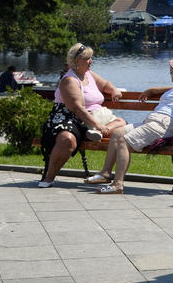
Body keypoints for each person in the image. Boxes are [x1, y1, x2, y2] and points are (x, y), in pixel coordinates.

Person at [84, 54, 173, 194]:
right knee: (117, 132)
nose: (170, 72)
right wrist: (151, 91)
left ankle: (117, 184)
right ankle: (105, 173)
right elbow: (170, 90)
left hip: (164, 124)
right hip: (154, 121)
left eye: (172, 70)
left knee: (124, 141)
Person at [38, 44, 125, 188]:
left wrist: (114, 90)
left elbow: (105, 84)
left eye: (91, 58)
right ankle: (49, 177)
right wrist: (98, 125)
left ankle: (95, 132)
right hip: (67, 117)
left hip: (92, 117)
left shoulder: (89, 74)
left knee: (121, 123)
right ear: (75, 61)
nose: (90, 61)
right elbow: (77, 108)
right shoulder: (69, 80)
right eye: (87, 58)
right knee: (67, 140)